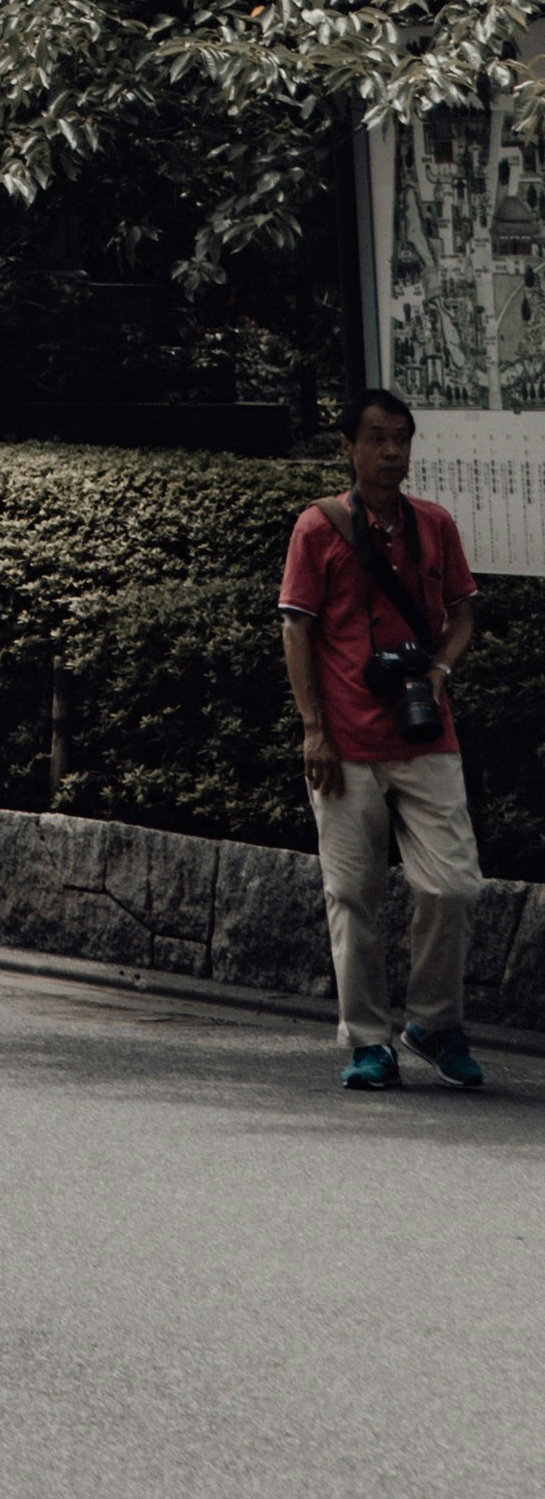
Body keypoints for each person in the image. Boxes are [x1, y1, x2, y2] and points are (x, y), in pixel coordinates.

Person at [282, 384, 490, 1093]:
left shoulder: (434, 525)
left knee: (455, 883)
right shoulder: (319, 528)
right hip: (343, 740)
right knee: (352, 893)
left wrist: (437, 668)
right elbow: (297, 627)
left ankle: (433, 1021)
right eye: (375, 438)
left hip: (424, 733)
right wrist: (313, 730)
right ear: (348, 447)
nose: (391, 451)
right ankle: (369, 1041)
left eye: (401, 438)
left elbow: (463, 612)